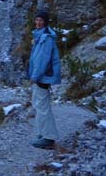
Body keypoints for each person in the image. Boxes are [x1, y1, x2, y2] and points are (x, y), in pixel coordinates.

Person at [28, 9, 61, 149]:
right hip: (42, 77)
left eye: (41, 20)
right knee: (38, 104)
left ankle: (49, 137)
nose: (38, 22)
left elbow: (42, 60)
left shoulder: (45, 38)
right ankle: (42, 133)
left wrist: (34, 76)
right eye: (37, 19)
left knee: (42, 107)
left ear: (45, 22)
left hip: (42, 77)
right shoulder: (40, 37)